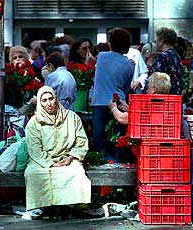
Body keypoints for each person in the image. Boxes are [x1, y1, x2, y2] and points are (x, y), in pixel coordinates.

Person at [24, 86, 91, 217]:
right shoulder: (34, 123)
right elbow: (34, 148)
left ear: (56, 99)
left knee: (76, 173)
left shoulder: (72, 118)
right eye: (44, 100)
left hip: (66, 159)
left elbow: (81, 142)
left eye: (51, 99)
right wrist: (50, 163)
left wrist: (71, 157)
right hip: (41, 161)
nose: (48, 103)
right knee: (33, 174)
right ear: (39, 103)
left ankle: (70, 206)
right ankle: (45, 207)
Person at [91, 27, 133, 161]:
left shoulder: (102, 57)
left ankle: (101, 162)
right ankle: (115, 163)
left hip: (99, 102)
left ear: (111, 43)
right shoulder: (128, 64)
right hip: (119, 102)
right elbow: (127, 87)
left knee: (99, 137)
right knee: (116, 138)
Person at [150, 27, 183, 95]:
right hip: (175, 97)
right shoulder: (177, 56)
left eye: (156, 40)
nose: (155, 42)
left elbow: (156, 80)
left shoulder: (161, 56)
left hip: (163, 99)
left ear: (161, 41)